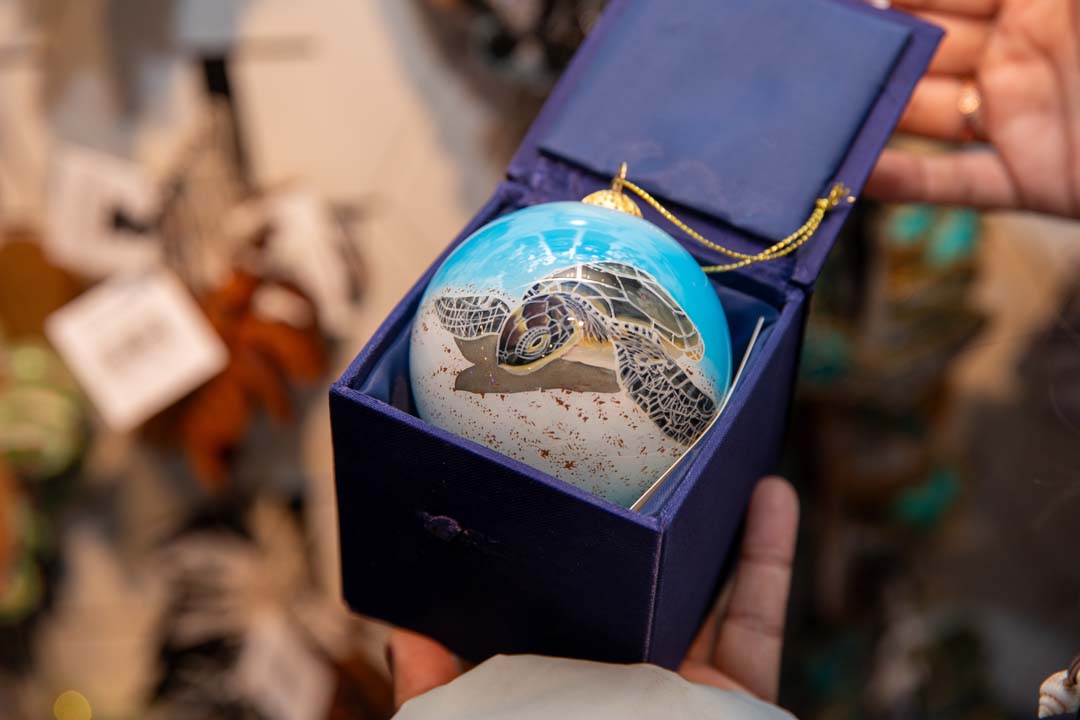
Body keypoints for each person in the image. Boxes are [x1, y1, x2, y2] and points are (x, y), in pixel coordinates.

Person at [386, 0, 1080, 715]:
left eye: (535, 339)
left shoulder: (631, 326)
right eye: (530, 341)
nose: (531, 344)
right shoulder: (511, 281)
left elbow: (667, 351)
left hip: (710, 316)